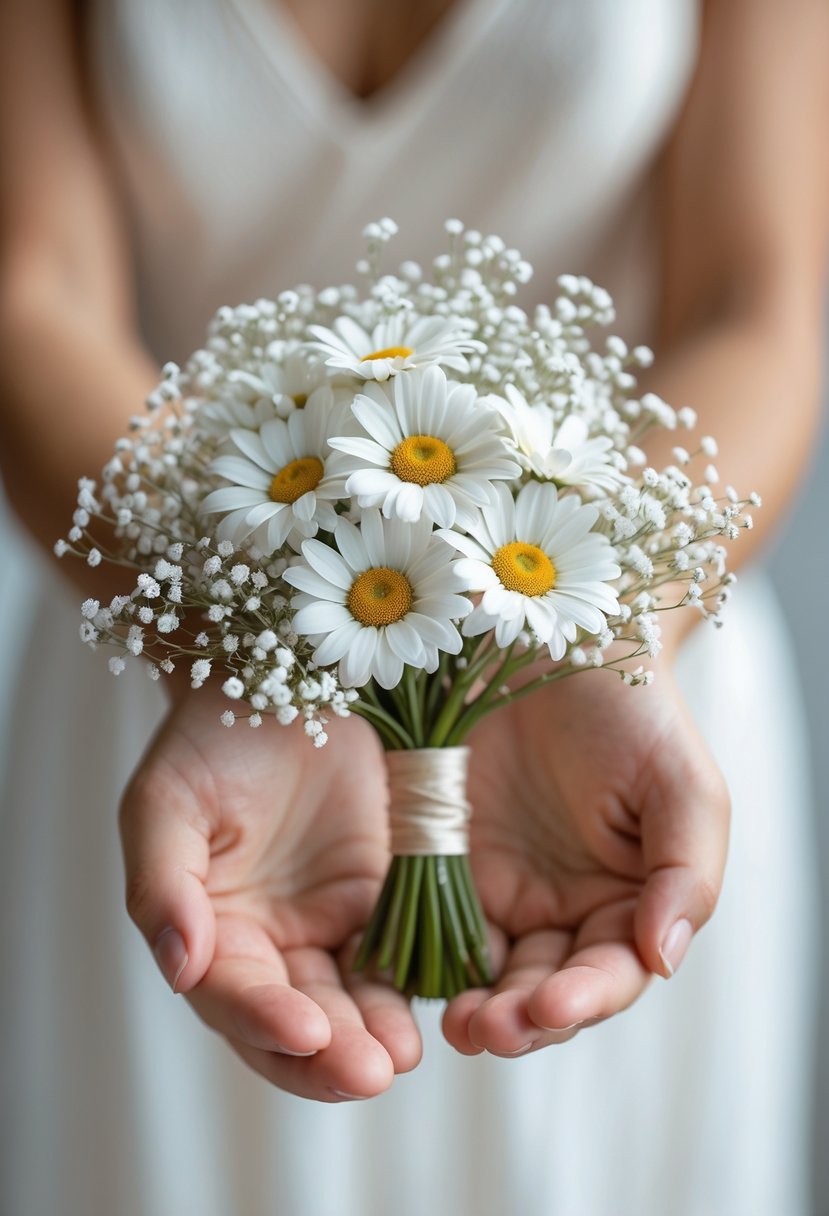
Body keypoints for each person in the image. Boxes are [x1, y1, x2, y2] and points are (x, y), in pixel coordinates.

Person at [0, 1, 827, 1213]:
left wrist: (606, 622)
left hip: (599, 724)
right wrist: (230, 641)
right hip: (195, 693)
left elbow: (756, 311)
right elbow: (36, 292)